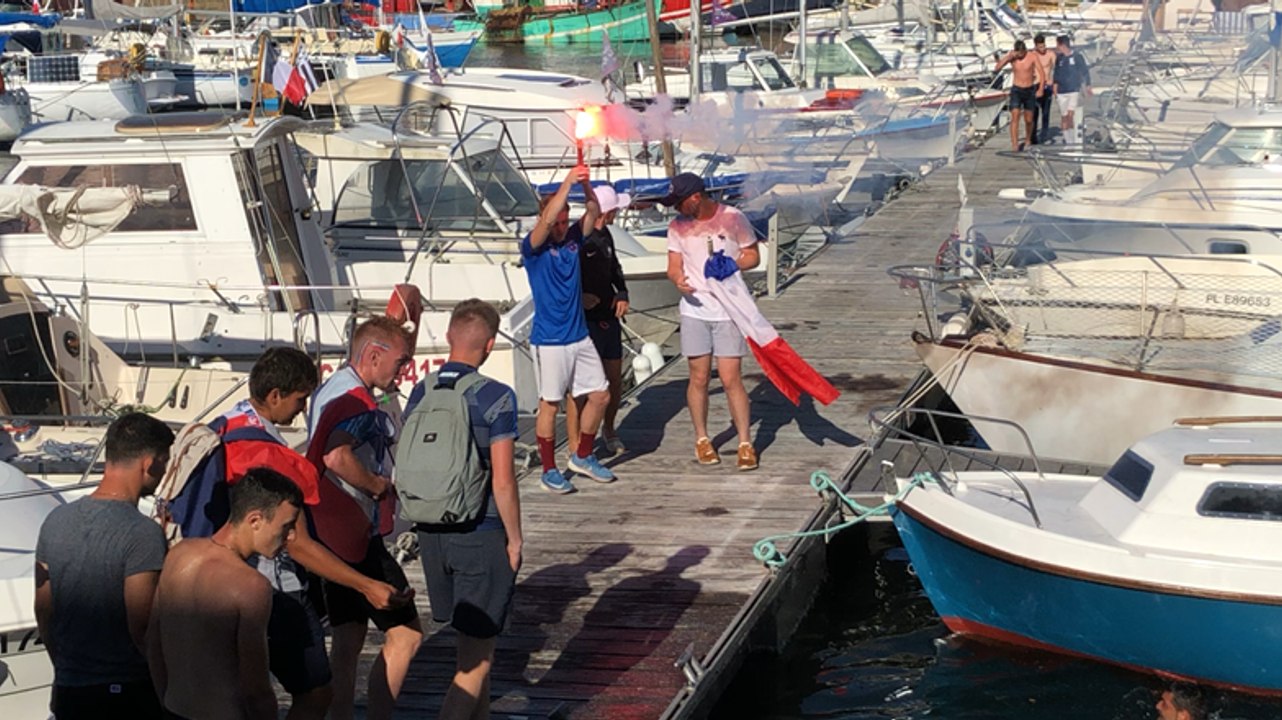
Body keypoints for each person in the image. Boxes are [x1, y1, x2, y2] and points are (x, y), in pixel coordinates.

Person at [216, 346, 408, 720]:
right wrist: (365, 585)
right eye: (301, 399)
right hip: (275, 590)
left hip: (218, 582)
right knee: (317, 692)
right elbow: (297, 543)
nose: (303, 409)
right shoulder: (272, 455)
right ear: (275, 396)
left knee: (236, 692)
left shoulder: (223, 427)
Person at [404, 299, 523, 720]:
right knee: (475, 667)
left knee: (470, 650)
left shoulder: (422, 389)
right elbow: (504, 480)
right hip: (480, 531)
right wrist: (515, 539)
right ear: (489, 345)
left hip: (433, 534)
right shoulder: (497, 397)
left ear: (450, 336)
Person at [306, 316, 423, 720]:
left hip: (328, 531)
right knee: (406, 633)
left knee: (348, 634)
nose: (404, 370)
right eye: (402, 361)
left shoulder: (331, 388)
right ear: (373, 354)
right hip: (354, 532)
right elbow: (336, 455)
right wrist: (376, 485)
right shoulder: (355, 400)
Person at [34, 412, 174, 719]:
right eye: (164, 462)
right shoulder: (141, 533)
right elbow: (142, 628)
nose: (164, 473)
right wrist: (168, 697)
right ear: (149, 463)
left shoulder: (55, 521)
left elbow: (44, 610)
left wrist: (65, 669)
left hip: (70, 690)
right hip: (126, 692)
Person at [148, 469, 304, 720]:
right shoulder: (250, 586)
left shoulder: (178, 554)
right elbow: (256, 689)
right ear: (255, 520)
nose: (291, 536)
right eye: (286, 527)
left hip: (173, 709)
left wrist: (164, 699)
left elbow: (153, 641)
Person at [522, 165, 617, 494]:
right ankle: (549, 469)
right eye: (558, 222)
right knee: (550, 403)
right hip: (549, 340)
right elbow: (546, 222)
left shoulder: (574, 239)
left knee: (601, 395)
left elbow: (593, 211)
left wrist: (586, 184)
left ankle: (582, 455)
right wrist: (566, 182)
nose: (562, 228)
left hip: (579, 335)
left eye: (565, 222)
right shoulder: (533, 247)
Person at [662, 172, 760, 471]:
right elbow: (672, 267)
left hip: (728, 308)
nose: (676, 209)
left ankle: (745, 441)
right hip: (694, 309)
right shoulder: (677, 226)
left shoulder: (733, 218)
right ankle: (702, 438)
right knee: (699, 377)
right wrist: (678, 280)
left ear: (695, 197)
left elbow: (753, 255)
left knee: (731, 378)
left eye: (679, 202)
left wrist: (734, 263)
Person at [564, 185, 631, 458]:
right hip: (584, 321)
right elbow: (564, 277)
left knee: (613, 379)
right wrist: (578, 297)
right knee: (580, 387)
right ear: (608, 210)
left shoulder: (606, 235)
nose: (618, 212)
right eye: (615, 208)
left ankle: (610, 430)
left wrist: (623, 292)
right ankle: (573, 441)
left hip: (608, 316)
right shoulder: (578, 238)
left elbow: (615, 267)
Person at [995, 40, 1048, 152]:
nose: (1019, 56)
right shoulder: (1012, 57)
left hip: (1029, 90)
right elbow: (997, 67)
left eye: (1021, 54)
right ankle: (1015, 144)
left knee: (1029, 119)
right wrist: (1008, 57)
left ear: (1024, 51)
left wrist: (1041, 88)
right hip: (1016, 90)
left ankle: (1028, 139)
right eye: (1017, 54)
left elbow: (1041, 73)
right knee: (1015, 116)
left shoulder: (1032, 56)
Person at [1053, 35, 1091, 146]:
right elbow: (1057, 73)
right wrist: (1055, 87)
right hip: (1061, 91)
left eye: (1058, 45)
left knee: (1071, 114)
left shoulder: (1077, 57)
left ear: (1062, 45)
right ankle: (1068, 141)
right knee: (1064, 117)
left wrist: (1087, 86)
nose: (1057, 47)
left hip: (1073, 90)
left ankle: (1075, 140)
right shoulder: (1059, 58)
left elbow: (1084, 72)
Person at [1030, 34, 1057, 144]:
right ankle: (1033, 136)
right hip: (1035, 84)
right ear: (1036, 46)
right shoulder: (1032, 55)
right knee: (1034, 113)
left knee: (1046, 112)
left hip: (1047, 84)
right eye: (1040, 47)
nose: (1043, 49)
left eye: (1044, 46)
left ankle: (1044, 135)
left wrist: (1054, 82)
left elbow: (1057, 68)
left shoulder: (1050, 54)